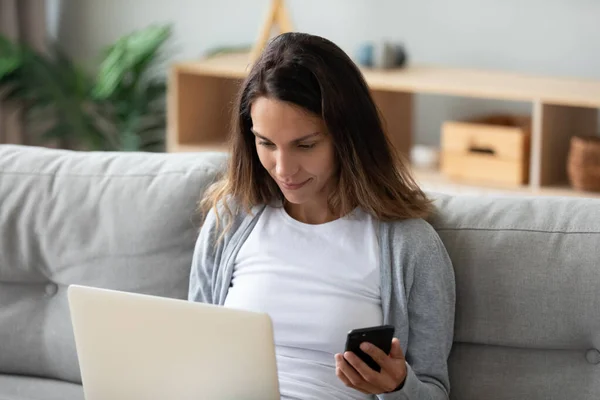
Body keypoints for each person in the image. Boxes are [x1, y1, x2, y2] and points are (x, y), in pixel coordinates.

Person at [188, 32, 456, 400]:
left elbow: (434, 392)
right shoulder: (230, 221)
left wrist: (396, 386)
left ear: (349, 137)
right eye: (266, 143)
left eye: (306, 145)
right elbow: (191, 355)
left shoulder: (410, 246)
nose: (283, 169)